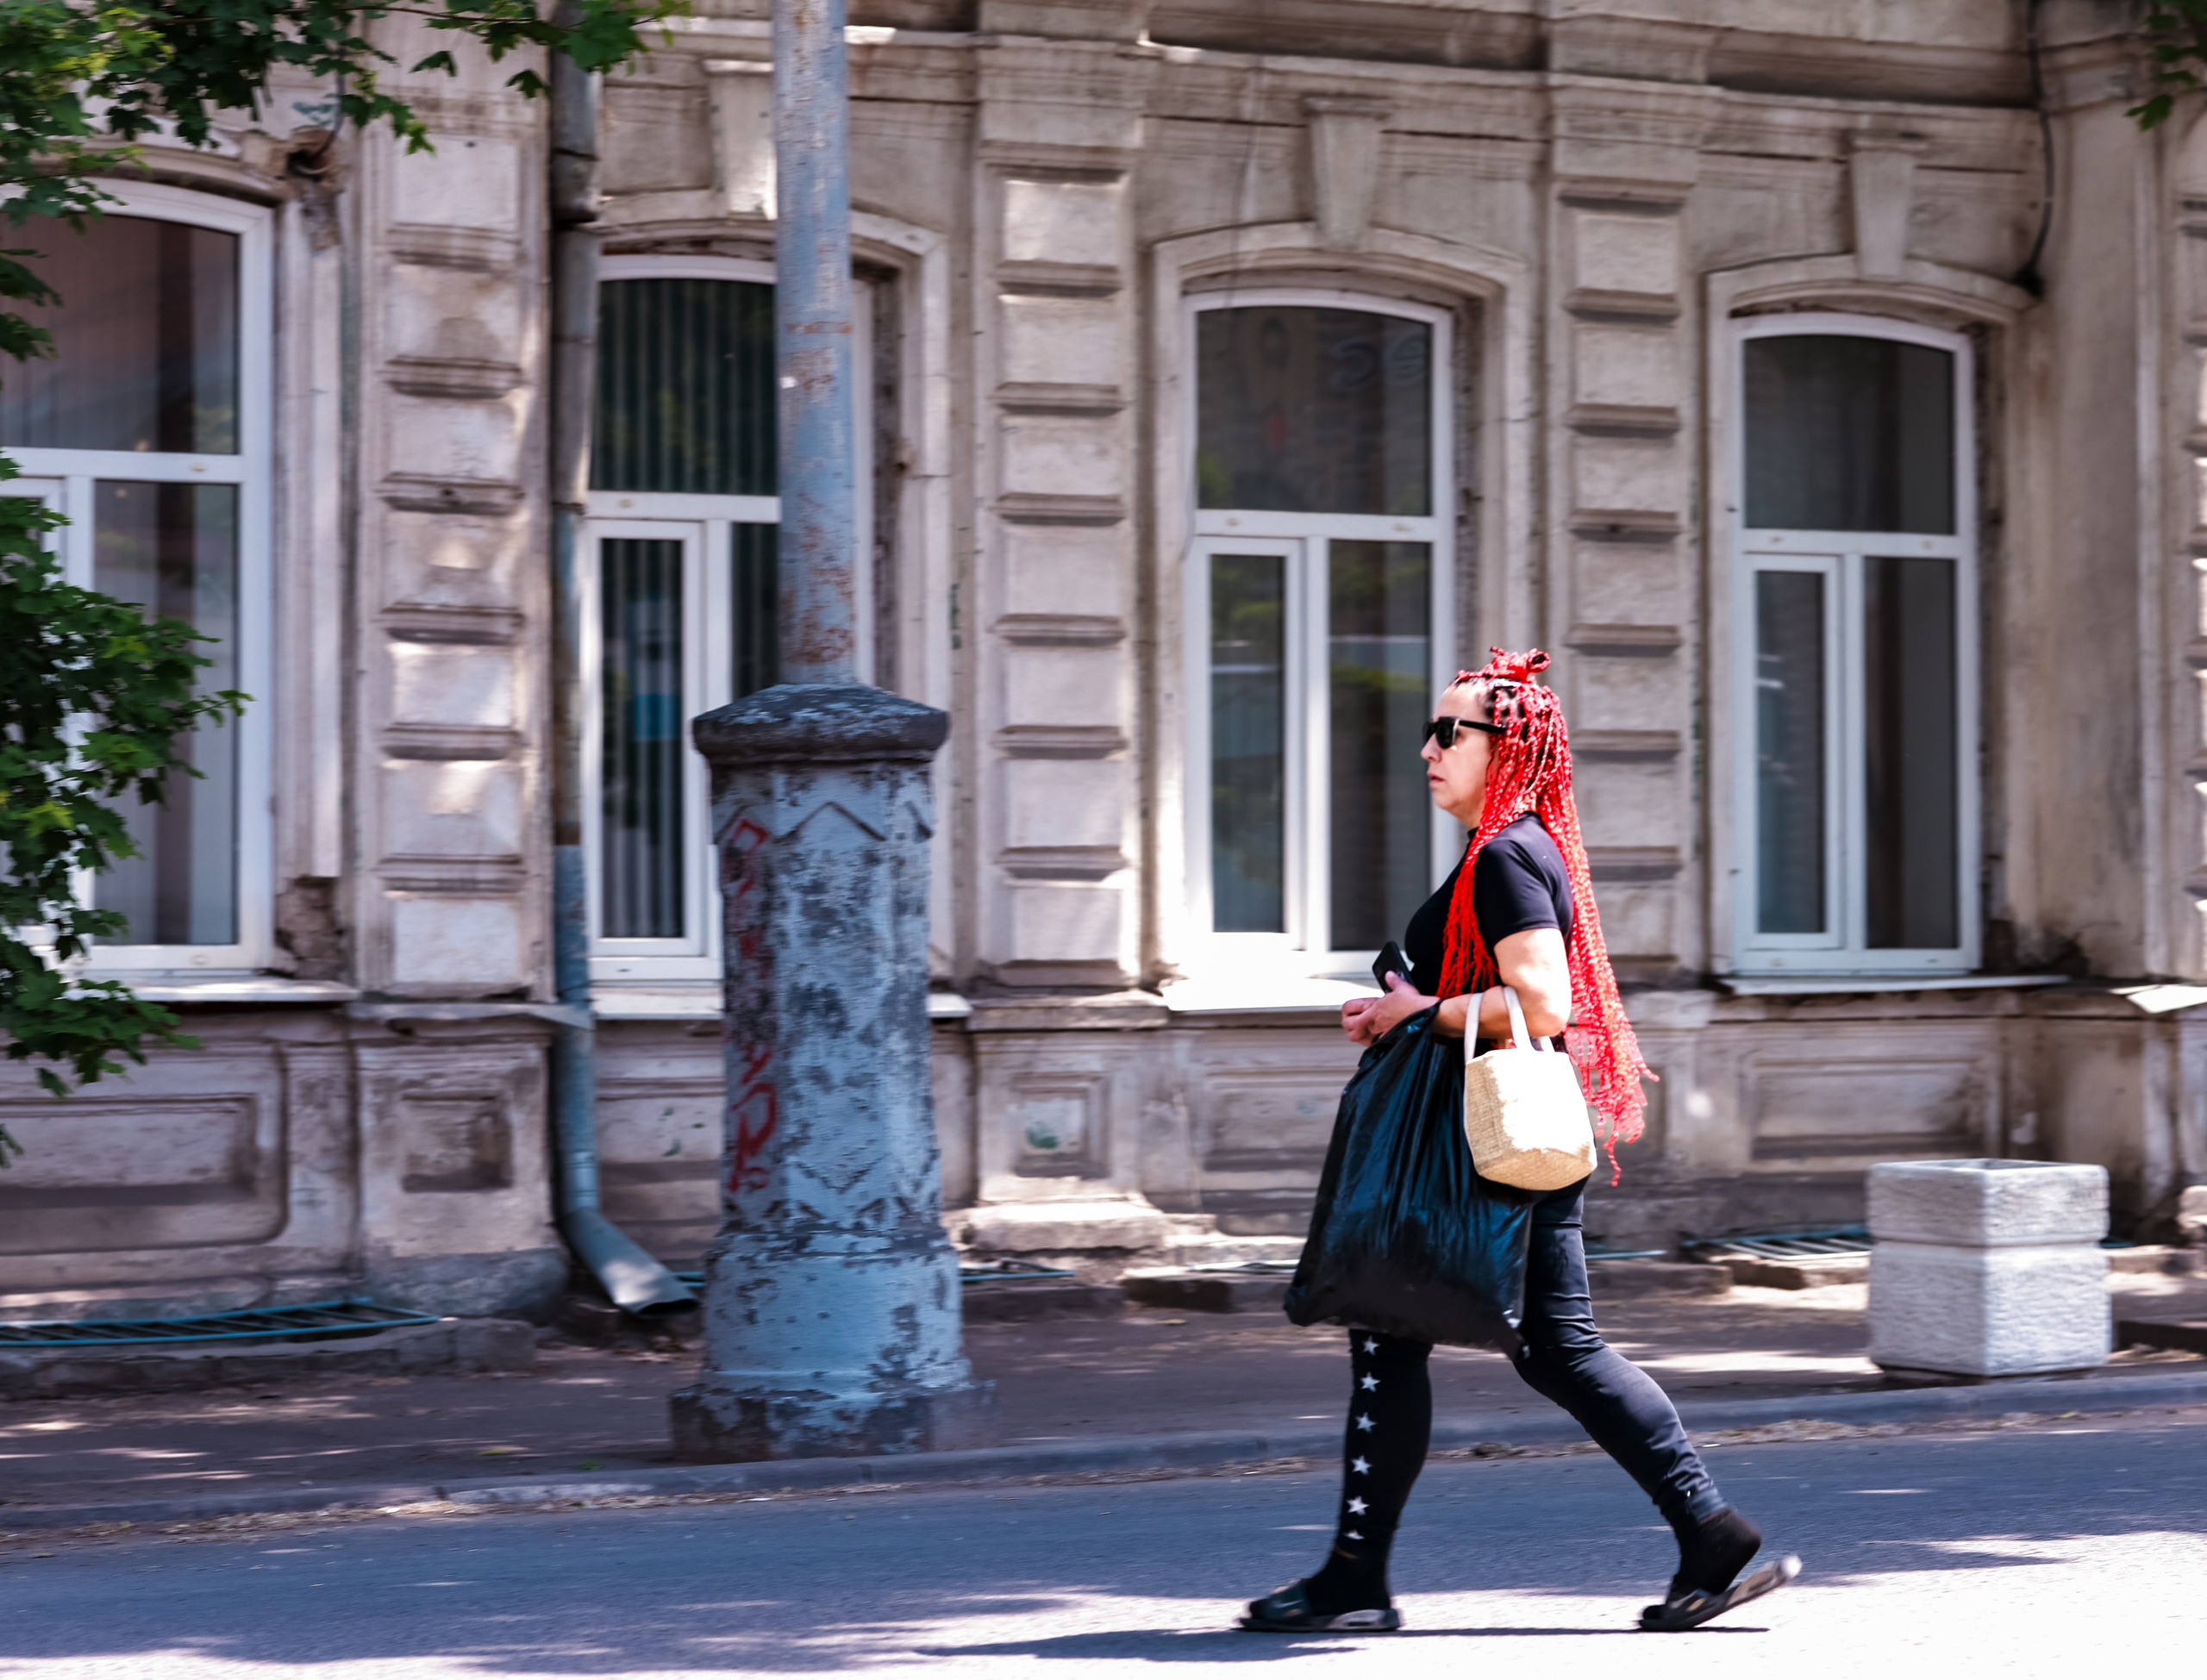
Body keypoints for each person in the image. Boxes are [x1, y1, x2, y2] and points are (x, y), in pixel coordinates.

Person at [1239, 647, 1799, 1635]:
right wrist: (1403, 1010)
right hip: (1480, 1149)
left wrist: (1417, 1014)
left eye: (1448, 731)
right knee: (1416, 1337)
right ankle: (1357, 1575)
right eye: (1432, 728)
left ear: (1508, 748)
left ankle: (1711, 1532)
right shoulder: (1506, 848)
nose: (1426, 747)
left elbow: (1543, 1001)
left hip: (1487, 1156)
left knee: (1554, 1348)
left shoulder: (1504, 856)